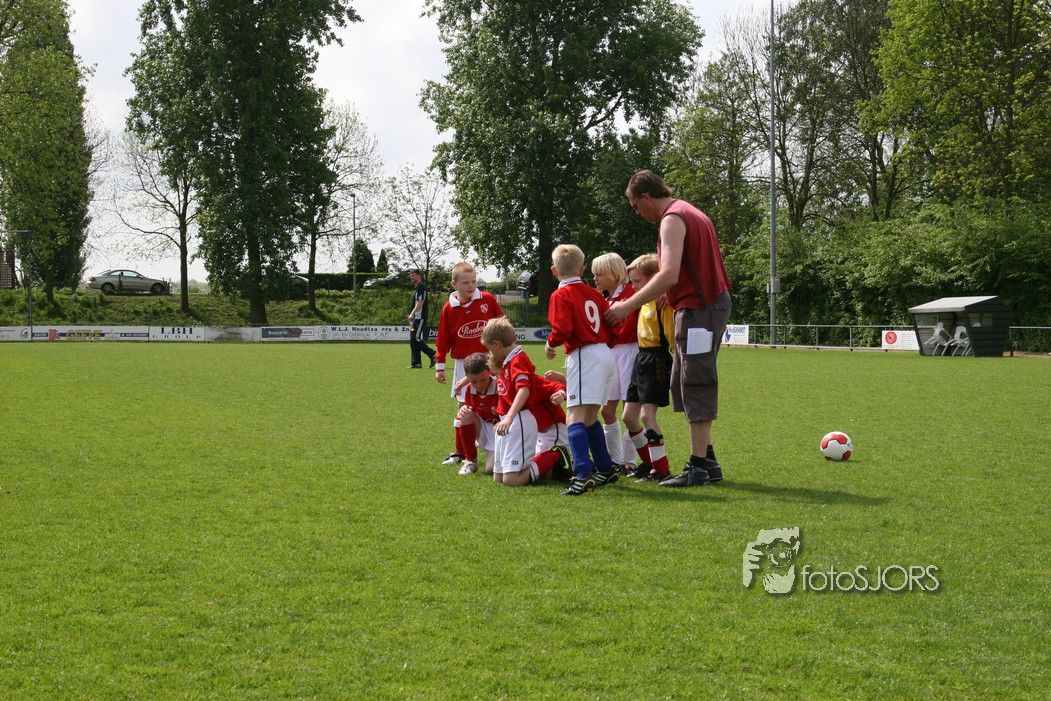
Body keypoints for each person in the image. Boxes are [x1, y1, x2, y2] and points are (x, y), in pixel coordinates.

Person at [606, 170, 732, 488]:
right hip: (702, 306)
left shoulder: (672, 218)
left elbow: (669, 273)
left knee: (696, 381)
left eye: (636, 206)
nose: (638, 213)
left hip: (700, 308)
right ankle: (708, 460)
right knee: (683, 380)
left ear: (647, 196)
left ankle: (698, 466)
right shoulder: (690, 211)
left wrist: (627, 305)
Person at [545, 244, 618, 495]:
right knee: (589, 418)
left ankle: (582, 475)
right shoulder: (594, 293)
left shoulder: (561, 294)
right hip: (604, 353)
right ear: (582, 269)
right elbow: (612, 322)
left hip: (584, 354)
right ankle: (605, 468)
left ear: (554, 270)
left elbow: (563, 329)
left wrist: (550, 344)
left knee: (574, 417)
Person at [434, 262, 504, 469]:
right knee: (463, 406)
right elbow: (443, 338)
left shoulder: (487, 299)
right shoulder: (449, 308)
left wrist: (501, 354)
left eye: (474, 281)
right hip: (463, 363)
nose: (471, 286)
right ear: (454, 284)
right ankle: (461, 453)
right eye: (465, 283)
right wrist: (440, 365)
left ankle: (503, 444)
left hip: (489, 359)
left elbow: (502, 324)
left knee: (500, 400)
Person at [621, 254, 675, 482]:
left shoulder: (663, 303)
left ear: (654, 279)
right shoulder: (643, 302)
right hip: (641, 357)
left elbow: (672, 336)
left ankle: (661, 469)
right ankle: (650, 462)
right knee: (628, 416)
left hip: (657, 359)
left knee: (646, 415)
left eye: (637, 281)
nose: (633, 287)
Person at [591, 252, 639, 474]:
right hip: (609, 354)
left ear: (615, 274)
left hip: (630, 351)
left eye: (600, 274)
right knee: (606, 411)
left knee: (629, 411)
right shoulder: (601, 299)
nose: (595, 278)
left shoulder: (633, 293)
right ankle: (616, 460)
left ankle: (630, 461)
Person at [481, 317, 541, 486]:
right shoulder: (508, 361)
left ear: (497, 344)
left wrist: (509, 417)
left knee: (511, 481)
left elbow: (523, 390)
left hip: (518, 419)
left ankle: (553, 458)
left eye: (490, 349)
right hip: (506, 421)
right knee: (498, 478)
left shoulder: (518, 360)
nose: (491, 354)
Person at [455, 352, 502, 475]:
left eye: (483, 380)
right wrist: (464, 408)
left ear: (490, 372)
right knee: (465, 414)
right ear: (467, 377)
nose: (479, 385)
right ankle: (471, 460)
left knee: (490, 469)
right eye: (474, 381)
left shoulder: (500, 388)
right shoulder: (470, 388)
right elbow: (470, 409)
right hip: (483, 428)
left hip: (500, 432)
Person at [407, 269, 437, 369]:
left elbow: (421, 301)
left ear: (419, 276)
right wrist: (412, 314)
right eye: (410, 275)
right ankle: (416, 363)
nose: (411, 277)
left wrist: (412, 313)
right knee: (413, 339)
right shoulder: (417, 288)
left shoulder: (421, 287)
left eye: (413, 275)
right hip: (416, 317)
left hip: (420, 317)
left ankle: (433, 354)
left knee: (416, 338)